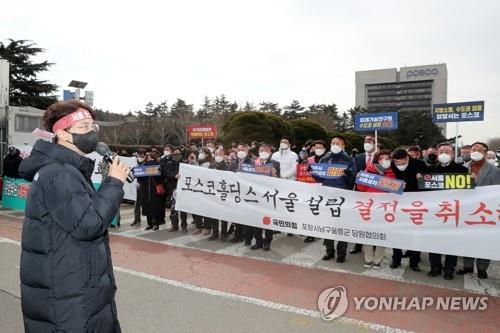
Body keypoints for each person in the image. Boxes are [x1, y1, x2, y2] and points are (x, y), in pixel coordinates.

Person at [18, 100, 129, 332]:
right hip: (69, 294)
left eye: (93, 126)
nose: (92, 133)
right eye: (83, 127)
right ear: (62, 134)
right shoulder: (59, 173)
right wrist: (113, 183)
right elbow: (88, 224)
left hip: (72, 284)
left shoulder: (67, 169)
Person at [310, 135, 357, 263]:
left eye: (337, 143)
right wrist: (313, 173)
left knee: (342, 225)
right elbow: (321, 178)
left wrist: (348, 174)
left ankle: (341, 253)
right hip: (327, 195)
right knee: (327, 224)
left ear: (343, 146)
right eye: (332, 143)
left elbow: (353, 180)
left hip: (343, 197)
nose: (334, 145)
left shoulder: (349, 160)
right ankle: (329, 251)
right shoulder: (325, 159)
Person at [457, 142, 500, 279]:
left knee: (484, 240)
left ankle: (482, 268)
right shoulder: (463, 167)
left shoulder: (494, 170)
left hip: (485, 212)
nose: (475, 151)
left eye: (479, 150)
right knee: (467, 240)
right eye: (473, 149)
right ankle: (468, 266)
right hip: (466, 211)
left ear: (486, 153)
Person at [427, 142, 468, 280]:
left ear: (453, 154)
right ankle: (435, 267)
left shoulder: (461, 170)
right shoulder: (430, 169)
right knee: (433, 241)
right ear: (437, 154)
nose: (444, 153)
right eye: (441, 151)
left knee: (451, 242)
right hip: (435, 212)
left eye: (447, 151)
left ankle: (449, 269)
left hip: (453, 212)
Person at [390, 148, 429, 271]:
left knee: (415, 234)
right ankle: (396, 259)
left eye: (400, 161)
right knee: (396, 233)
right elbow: (387, 182)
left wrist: (419, 180)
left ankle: (414, 261)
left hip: (415, 204)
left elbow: (427, 185)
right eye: (395, 162)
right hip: (398, 204)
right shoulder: (392, 165)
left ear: (407, 158)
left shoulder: (420, 165)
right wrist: (397, 185)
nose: (398, 164)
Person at [356, 149, 395, 268]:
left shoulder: (392, 173)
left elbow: (396, 190)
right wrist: (359, 178)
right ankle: (368, 258)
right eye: (382, 158)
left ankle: (378, 259)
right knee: (368, 234)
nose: (385, 161)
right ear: (377, 159)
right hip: (369, 208)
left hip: (384, 209)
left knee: (381, 235)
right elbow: (361, 188)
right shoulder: (368, 171)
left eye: (388, 158)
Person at [248, 143, 280, 251]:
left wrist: (275, 175)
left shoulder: (275, 163)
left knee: (267, 220)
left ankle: (267, 242)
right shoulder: (253, 163)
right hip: (255, 195)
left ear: (270, 152)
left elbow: (280, 181)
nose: (263, 152)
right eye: (261, 150)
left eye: (266, 150)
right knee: (256, 220)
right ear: (258, 152)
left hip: (268, 196)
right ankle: (258, 241)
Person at [351, 135, 376, 254]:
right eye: (366, 141)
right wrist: (363, 179)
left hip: (375, 194)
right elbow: (354, 172)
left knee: (374, 221)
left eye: (371, 141)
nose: (368, 143)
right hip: (360, 192)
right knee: (359, 220)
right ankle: (358, 245)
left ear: (375, 143)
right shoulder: (358, 157)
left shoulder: (379, 157)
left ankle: (374, 246)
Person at [302, 140, 328, 243]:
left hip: (324, 188)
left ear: (325, 149)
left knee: (323, 211)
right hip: (311, 188)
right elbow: (301, 171)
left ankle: (323, 231)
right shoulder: (309, 160)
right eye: (316, 147)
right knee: (311, 211)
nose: (318, 149)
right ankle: (310, 234)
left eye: (320, 147)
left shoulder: (328, 160)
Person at [229, 143, 254, 243]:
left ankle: (246, 236)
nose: (240, 151)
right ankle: (237, 234)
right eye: (238, 150)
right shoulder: (234, 162)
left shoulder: (252, 162)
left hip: (247, 192)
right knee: (236, 215)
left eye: (243, 149)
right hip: (235, 191)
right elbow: (229, 174)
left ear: (247, 151)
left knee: (246, 215)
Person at [207, 148, 232, 241]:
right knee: (214, 214)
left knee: (223, 214)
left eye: (220, 154)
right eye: (216, 154)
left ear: (224, 155)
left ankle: (224, 233)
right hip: (213, 192)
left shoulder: (227, 166)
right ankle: (215, 232)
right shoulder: (211, 165)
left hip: (223, 193)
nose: (218, 156)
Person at [139, 152, 166, 231]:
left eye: (151, 158)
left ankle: (156, 224)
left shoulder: (158, 166)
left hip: (154, 190)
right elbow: (140, 178)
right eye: (148, 158)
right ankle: (149, 224)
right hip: (146, 190)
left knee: (155, 207)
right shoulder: (143, 166)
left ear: (154, 158)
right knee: (147, 207)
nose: (149, 160)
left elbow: (161, 177)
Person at [192, 147, 214, 235]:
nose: (201, 154)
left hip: (206, 189)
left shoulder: (209, 164)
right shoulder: (196, 162)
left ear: (207, 154)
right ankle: (198, 226)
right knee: (197, 208)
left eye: (203, 152)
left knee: (206, 209)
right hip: (197, 188)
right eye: (200, 152)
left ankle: (207, 227)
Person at [167, 147, 188, 232]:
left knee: (183, 209)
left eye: (178, 154)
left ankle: (184, 226)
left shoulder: (184, 163)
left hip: (182, 188)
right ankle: (174, 225)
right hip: (172, 188)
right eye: (175, 154)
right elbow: (167, 173)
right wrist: (174, 175)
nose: (177, 156)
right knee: (173, 208)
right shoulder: (169, 163)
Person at [131, 148, 146, 226]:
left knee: (147, 203)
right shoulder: (133, 162)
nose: (141, 155)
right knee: (137, 203)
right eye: (139, 154)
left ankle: (151, 220)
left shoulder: (146, 163)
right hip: (135, 185)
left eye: (142, 154)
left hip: (144, 185)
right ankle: (137, 219)